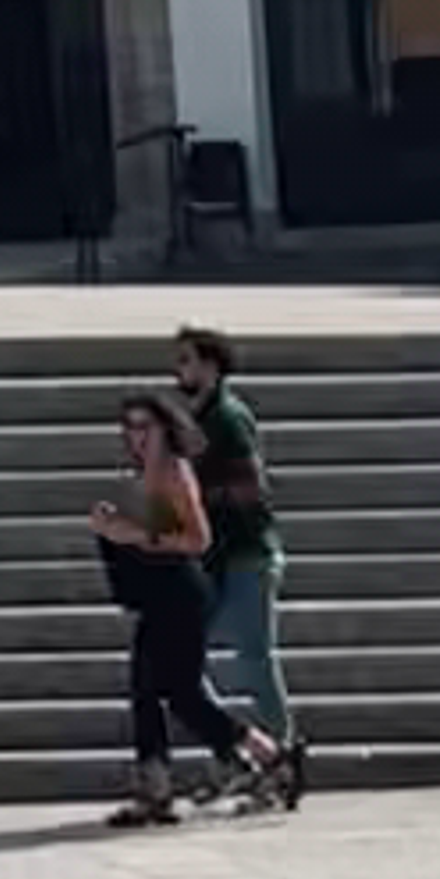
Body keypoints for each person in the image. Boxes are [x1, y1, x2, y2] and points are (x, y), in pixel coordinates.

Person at [91, 391, 281, 831]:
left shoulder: (175, 472)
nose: (136, 437)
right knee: (147, 689)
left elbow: (198, 540)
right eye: (130, 428)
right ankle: (155, 788)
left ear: (164, 428)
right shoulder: (145, 474)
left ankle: (265, 753)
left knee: (179, 691)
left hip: (182, 592)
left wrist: (133, 534)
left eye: (145, 426)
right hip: (159, 593)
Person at [165, 319, 306, 803]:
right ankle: (238, 754)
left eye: (186, 359)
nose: (177, 369)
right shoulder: (197, 419)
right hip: (217, 559)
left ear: (210, 365)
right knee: (185, 660)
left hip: (248, 555)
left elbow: (252, 488)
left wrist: (198, 496)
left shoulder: (228, 416)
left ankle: (280, 759)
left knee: (255, 658)